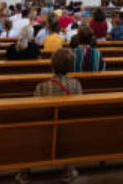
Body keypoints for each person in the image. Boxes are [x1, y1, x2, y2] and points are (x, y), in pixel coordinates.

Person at [15, 48, 81, 184]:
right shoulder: (76, 84)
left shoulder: (42, 86)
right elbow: (78, 108)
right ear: (71, 66)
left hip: (44, 130)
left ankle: (25, 172)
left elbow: (35, 111)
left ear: (52, 64)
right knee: (67, 132)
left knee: (31, 131)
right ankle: (68, 169)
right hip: (68, 130)